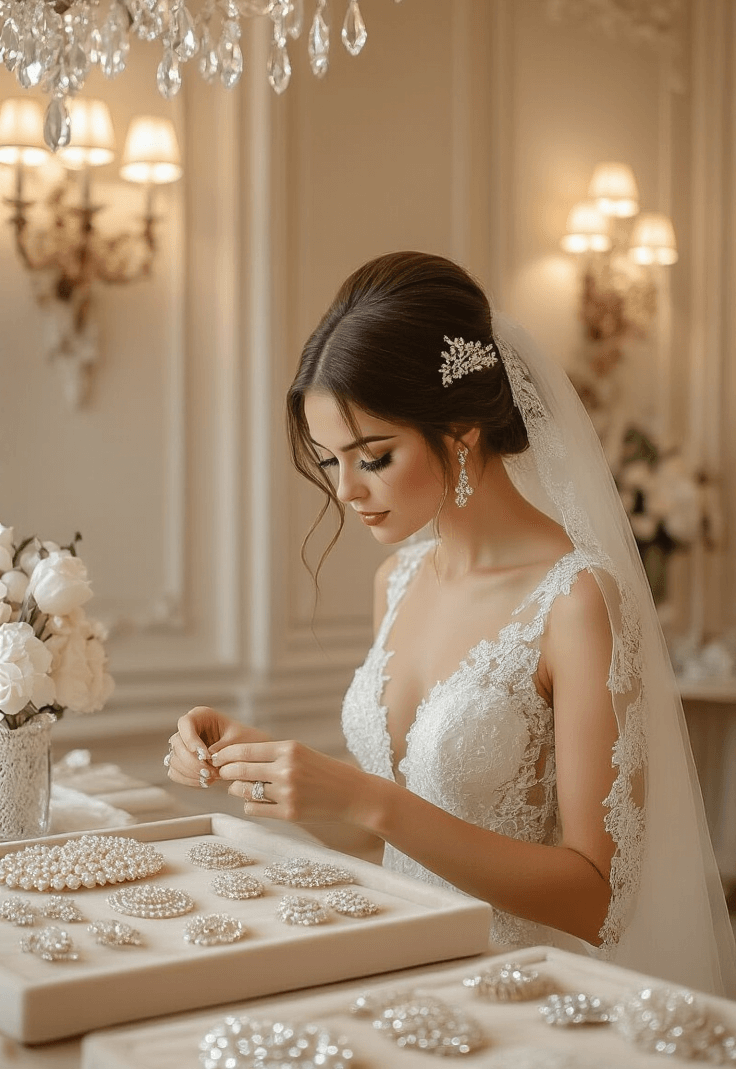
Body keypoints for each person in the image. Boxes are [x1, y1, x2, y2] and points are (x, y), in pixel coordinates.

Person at [168, 252, 736, 997]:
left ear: (462, 431)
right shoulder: (397, 580)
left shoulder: (576, 599)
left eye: (372, 457)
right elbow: (388, 838)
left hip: (528, 996)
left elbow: (598, 899)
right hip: (401, 970)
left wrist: (368, 798)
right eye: (330, 460)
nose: (346, 491)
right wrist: (267, 770)